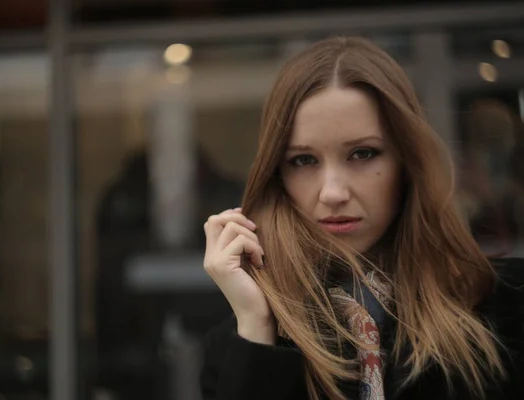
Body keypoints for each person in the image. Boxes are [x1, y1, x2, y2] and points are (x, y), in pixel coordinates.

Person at [199, 37, 524, 400]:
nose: (332, 192)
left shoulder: (506, 305)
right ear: (277, 174)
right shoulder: (241, 343)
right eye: (303, 160)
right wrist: (258, 326)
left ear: (406, 160)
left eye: (363, 153)